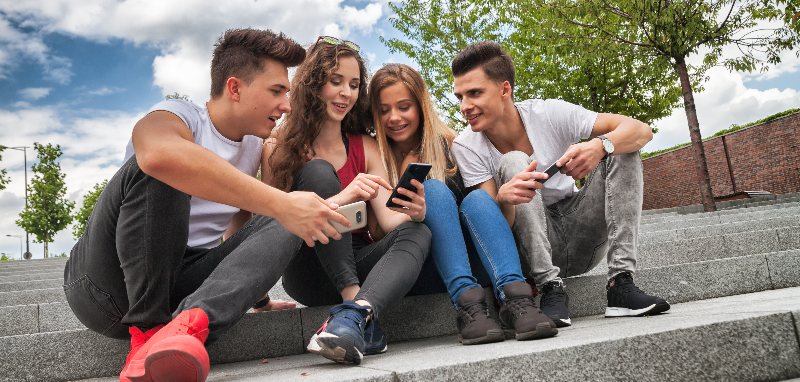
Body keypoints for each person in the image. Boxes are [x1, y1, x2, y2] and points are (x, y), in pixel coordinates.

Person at [64, 29, 351, 382]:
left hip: (181, 282)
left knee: (288, 214)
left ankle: (187, 328)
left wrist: (256, 297)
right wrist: (281, 202)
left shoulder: (252, 146)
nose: (287, 105)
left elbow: (242, 232)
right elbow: (156, 154)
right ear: (235, 88)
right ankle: (147, 336)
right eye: (277, 91)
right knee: (163, 166)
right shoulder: (176, 116)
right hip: (104, 284)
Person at [450, 41, 670, 328]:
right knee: (514, 162)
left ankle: (621, 285)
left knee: (620, 144)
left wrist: (600, 146)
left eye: (475, 93)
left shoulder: (549, 113)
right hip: (529, 247)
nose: (465, 106)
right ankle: (550, 288)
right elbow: (494, 232)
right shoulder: (466, 145)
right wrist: (503, 197)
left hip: (582, 232)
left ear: (505, 89)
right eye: (460, 97)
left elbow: (641, 130)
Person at [265, 37, 431, 365]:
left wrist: (414, 212)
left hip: (361, 261)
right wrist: (342, 197)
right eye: (335, 81)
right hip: (309, 270)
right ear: (313, 84)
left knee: (418, 232)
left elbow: (390, 220)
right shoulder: (277, 148)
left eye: (354, 85)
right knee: (318, 173)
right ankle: (353, 304)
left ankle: (354, 316)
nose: (346, 93)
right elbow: (269, 230)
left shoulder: (366, 147)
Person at [368, 63, 558, 344]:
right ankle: (467, 307)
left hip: (476, 262)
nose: (394, 117)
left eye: (404, 106)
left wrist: (504, 198)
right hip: (417, 266)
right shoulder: (375, 155)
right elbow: (377, 233)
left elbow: (494, 218)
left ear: (420, 106)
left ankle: (516, 300)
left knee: (480, 199)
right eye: (384, 110)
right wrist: (416, 213)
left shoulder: (452, 145)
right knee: (433, 190)